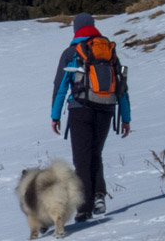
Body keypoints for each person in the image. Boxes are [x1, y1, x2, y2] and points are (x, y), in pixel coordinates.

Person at [50, 12, 131, 222]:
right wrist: (126, 118)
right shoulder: (108, 52)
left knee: (81, 158)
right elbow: (121, 87)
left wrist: (55, 115)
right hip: (106, 108)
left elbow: (60, 87)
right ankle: (99, 196)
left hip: (80, 109)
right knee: (96, 153)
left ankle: (84, 207)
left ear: (76, 29)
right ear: (94, 26)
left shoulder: (71, 52)